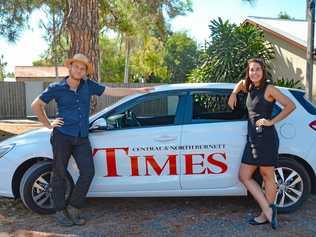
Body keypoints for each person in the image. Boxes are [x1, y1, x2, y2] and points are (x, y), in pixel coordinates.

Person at [31, 53, 153, 226]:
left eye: (83, 68)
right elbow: (36, 105)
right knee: (58, 173)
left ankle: (74, 207)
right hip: (62, 136)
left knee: (88, 172)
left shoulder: (89, 86)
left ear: (85, 71)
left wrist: (137, 91)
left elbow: (112, 91)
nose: (79, 70)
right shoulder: (56, 87)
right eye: (77, 67)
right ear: (70, 67)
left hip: (81, 137)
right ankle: (59, 210)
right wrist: (48, 124)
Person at [228, 58, 295, 229]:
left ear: (263, 71)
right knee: (244, 175)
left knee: (267, 176)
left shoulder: (269, 89)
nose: (254, 72)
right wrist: (234, 93)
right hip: (252, 140)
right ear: (248, 72)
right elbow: (240, 83)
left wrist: (271, 121)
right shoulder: (248, 86)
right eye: (251, 69)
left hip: (266, 139)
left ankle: (264, 215)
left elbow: (290, 105)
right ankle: (268, 210)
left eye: (258, 69)